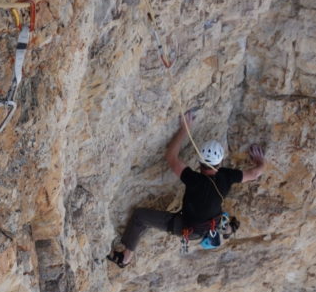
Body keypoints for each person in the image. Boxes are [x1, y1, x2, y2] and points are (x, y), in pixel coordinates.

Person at [107, 111, 266, 267]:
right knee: (215, 214)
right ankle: (226, 228)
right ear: (220, 162)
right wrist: (261, 162)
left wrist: (185, 129)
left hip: (187, 227)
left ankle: (125, 259)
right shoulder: (227, 176)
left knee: (139, 217)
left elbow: (171, 156)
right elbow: (254, 174)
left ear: (199, 161)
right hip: (209, 223)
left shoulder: (193, 179)